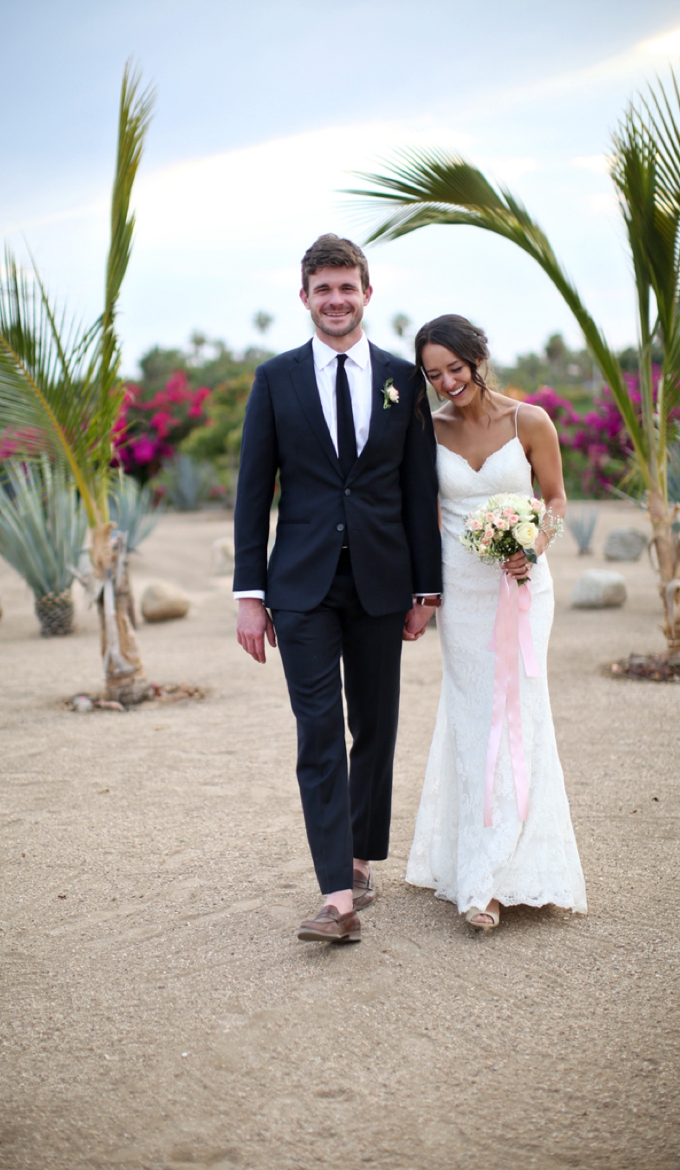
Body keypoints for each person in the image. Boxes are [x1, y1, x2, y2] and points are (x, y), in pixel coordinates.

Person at [233, 234, 442, 944]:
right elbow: (252, 491)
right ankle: (336, 897)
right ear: (305, 298)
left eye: (346, 287)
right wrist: (248, 594)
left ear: (367, 293)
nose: (335, 300)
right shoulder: (275, 379)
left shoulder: (401, 380)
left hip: (384, 580)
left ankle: (358, 857)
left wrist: (426, 588)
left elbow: (418, 488)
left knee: (374, 726)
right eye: (323, 289)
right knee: (318, 730)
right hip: (301, 586)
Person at [406, 314, 587, 930]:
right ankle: (478, 875)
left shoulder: (529, 421)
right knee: (472, 715)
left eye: (455, 368)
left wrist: (534, 545)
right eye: (434, 375)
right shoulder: (426, 431)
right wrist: (424, 595)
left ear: (478, 357)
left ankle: (508, 869)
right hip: (462, 593)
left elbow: (556, 498)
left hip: (523, 587)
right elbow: (423, 515)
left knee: (519, 713)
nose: (447, 383)